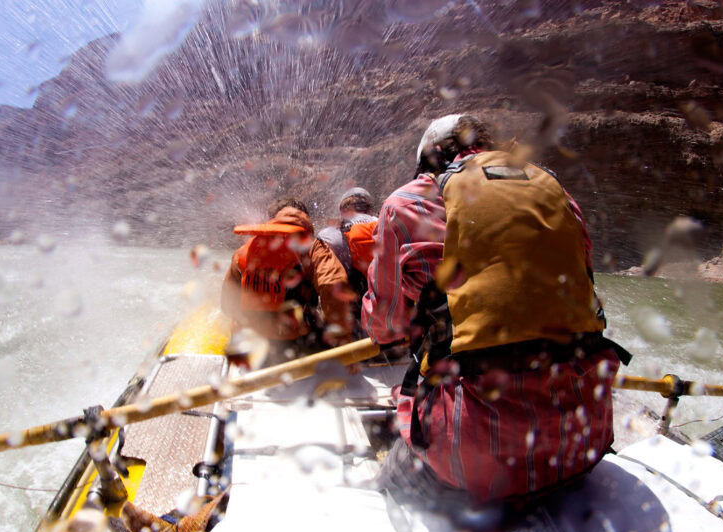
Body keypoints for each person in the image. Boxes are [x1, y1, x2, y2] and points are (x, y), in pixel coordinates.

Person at [364, 114, 631, 510]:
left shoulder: (406, 202)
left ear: (427, 161)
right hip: (584, 441)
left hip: (473, 462)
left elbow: (385, 327)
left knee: (388, 483)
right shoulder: (556, 192)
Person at [221, 198, 353, 362]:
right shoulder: (312, 247)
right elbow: (333, 286)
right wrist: (341, 336)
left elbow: (227, 305)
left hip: (250, 346)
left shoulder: (245, 250)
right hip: (296, 345)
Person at [316, 187, 378, 337]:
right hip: (393, 308)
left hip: (356, 315)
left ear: (343, 211)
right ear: (370, 208)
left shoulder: (330, 235)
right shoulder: (385, 223)